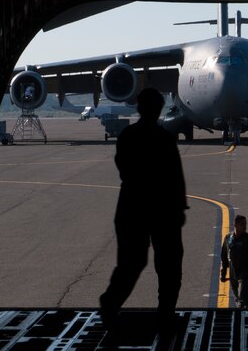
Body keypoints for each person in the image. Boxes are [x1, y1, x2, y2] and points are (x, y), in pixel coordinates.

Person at [99, 87, 188, 346]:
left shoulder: (128, 136)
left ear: (139, 109)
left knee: (131, 265)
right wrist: (179, 209)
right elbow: (175, 178)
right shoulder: (163, 138)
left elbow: (123, 169)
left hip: (131, 208)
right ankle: (165, 315)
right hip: (161, 211)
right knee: (169, 267)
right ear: (158, 109)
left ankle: (110, 303)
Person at [220, 215, 248, 308]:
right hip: (233, 275)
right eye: (242, 224)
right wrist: (223, 274)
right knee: (238, 300)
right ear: (235, 224)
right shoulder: (228, 238)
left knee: (242, 303)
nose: (245, 226)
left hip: (245, 275)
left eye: (245, 224)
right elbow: (224, 257)